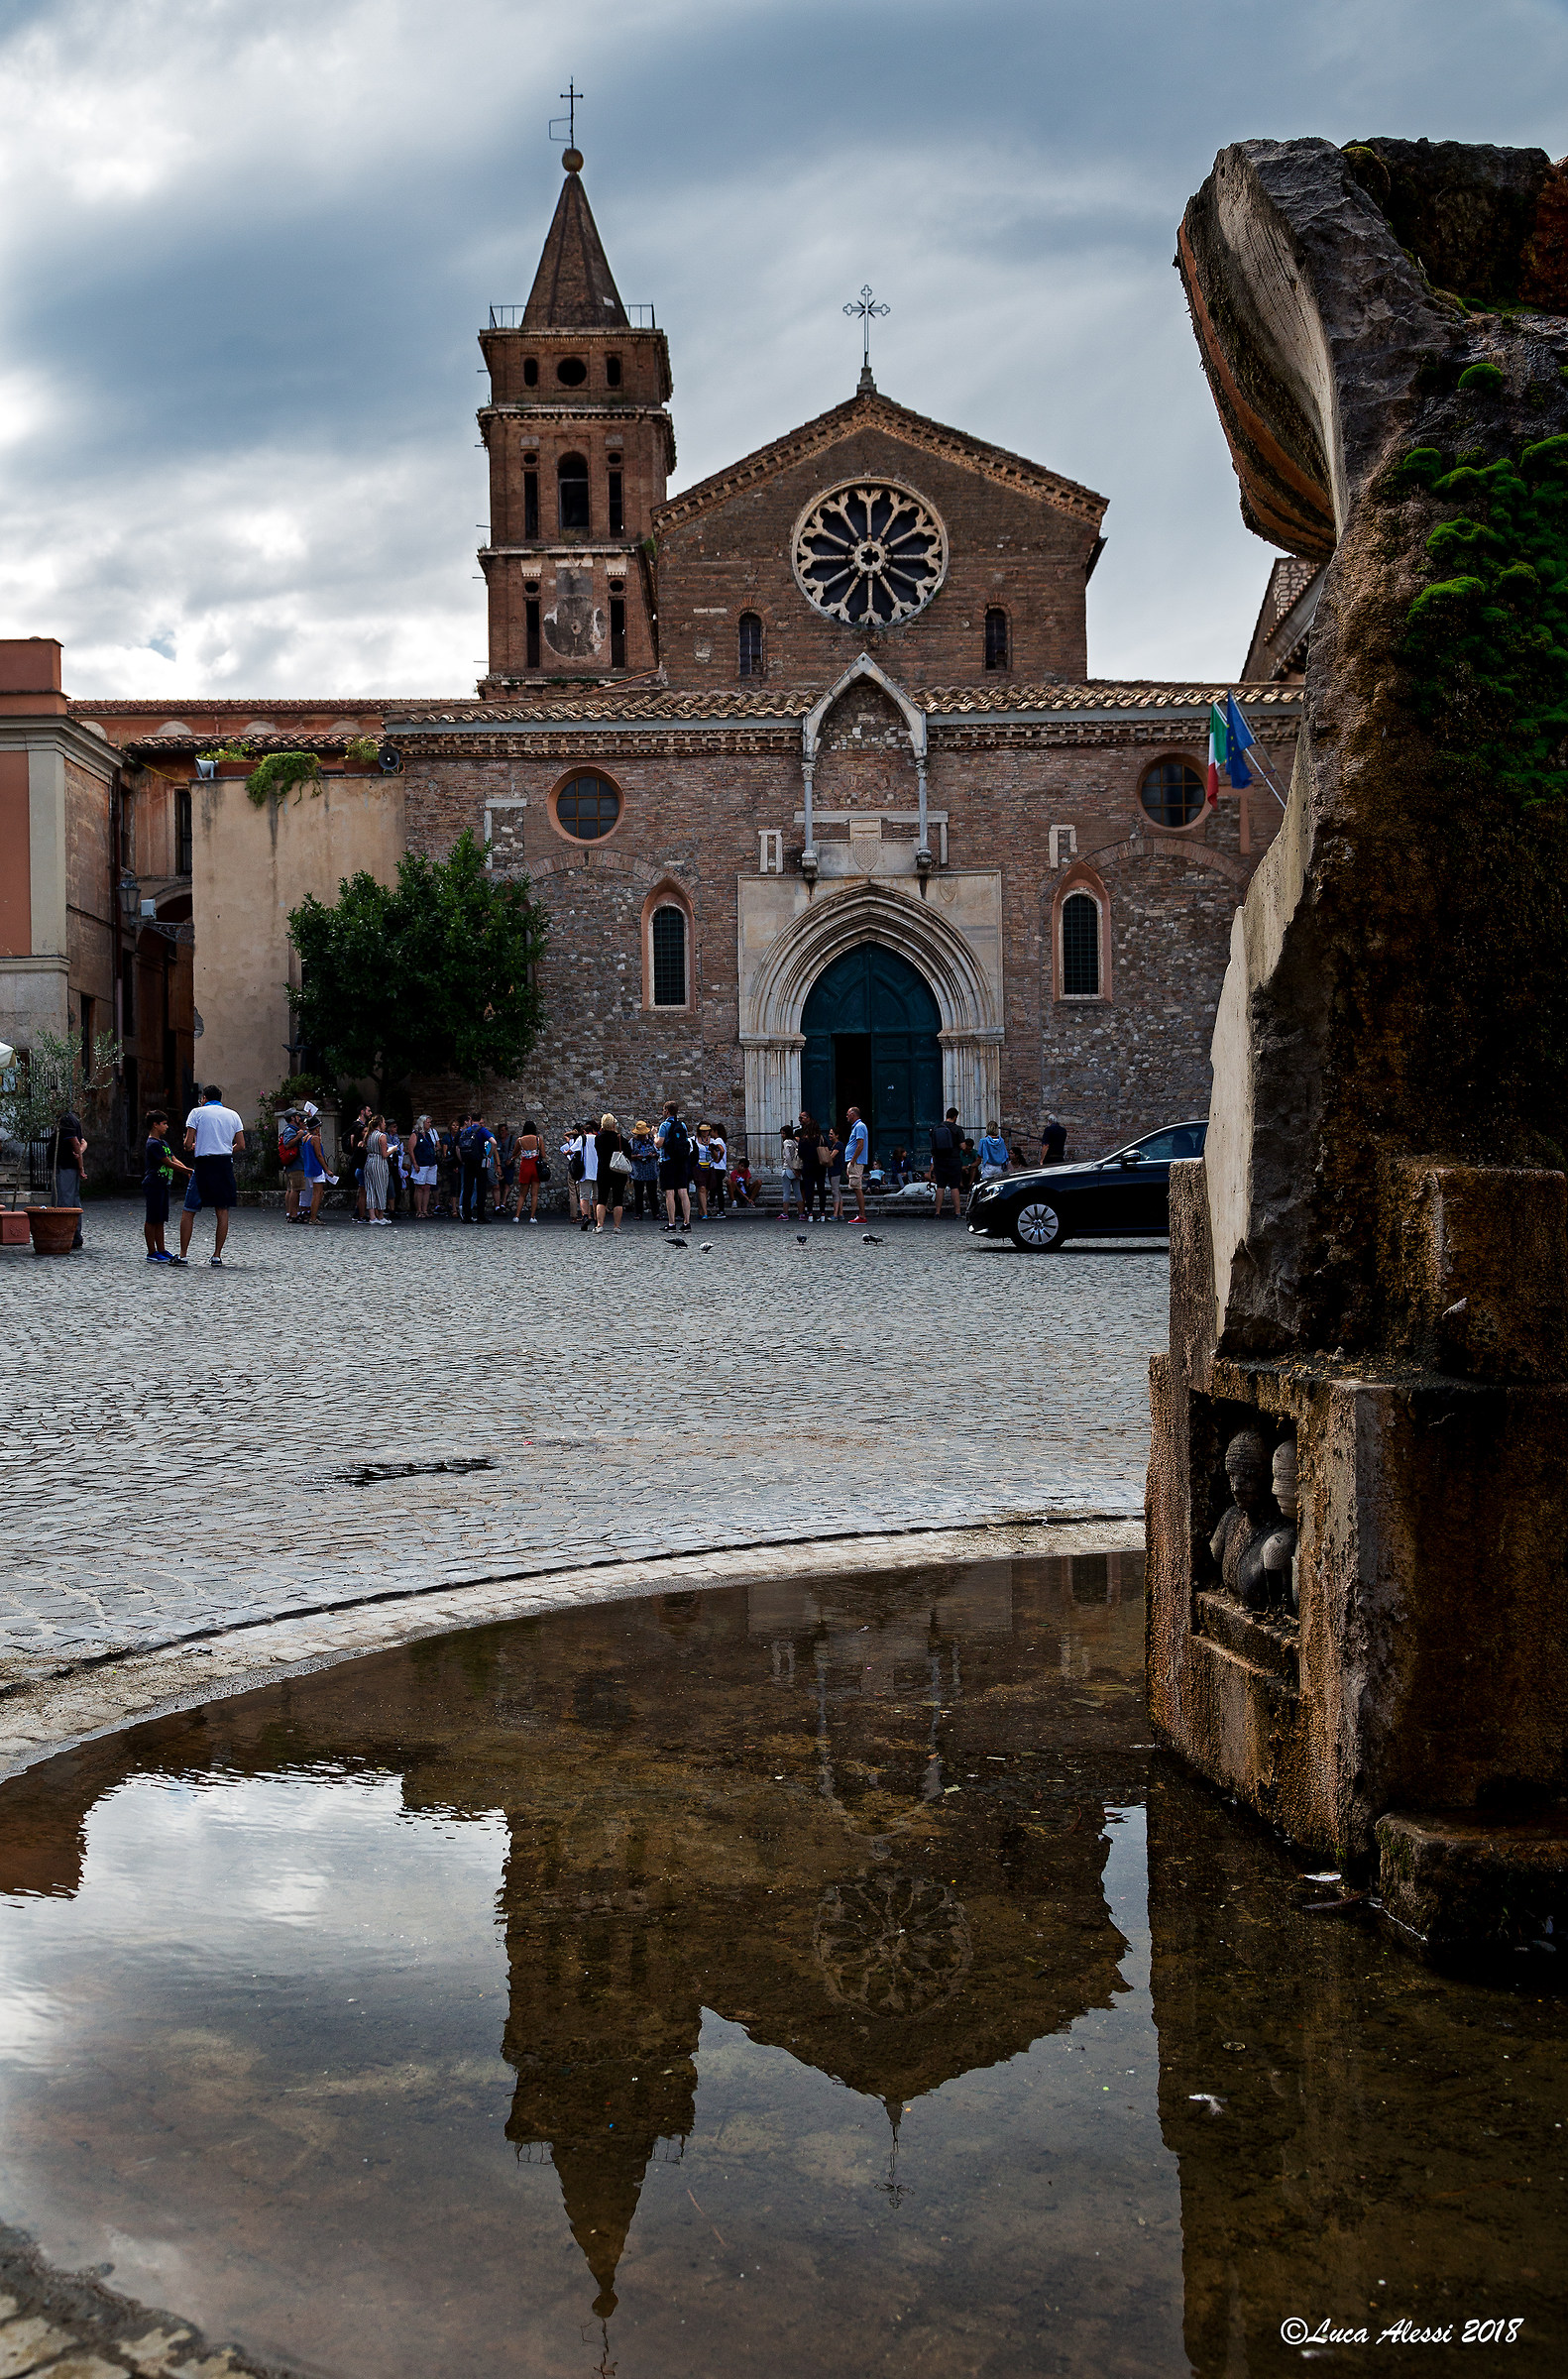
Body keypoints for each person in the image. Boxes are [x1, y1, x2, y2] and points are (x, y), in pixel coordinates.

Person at [177, 1082, 246, 1266]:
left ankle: (183, 1255)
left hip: (204, 1164)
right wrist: (225, 1149)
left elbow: (187, 1142)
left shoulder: (197, 1113)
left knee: (189, 1210)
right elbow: (241, 1144)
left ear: (204, 1099)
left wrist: (192, 1146)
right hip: (224, 1163)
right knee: (222, 1210)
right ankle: (217, 1255)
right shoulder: (233, 1115)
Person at [142, 1109, 190, 1262]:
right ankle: (152, 1252)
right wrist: (189, 1171)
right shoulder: (153, 1144)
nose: (167, 1126)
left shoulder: (163, 1143)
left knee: (160, 1218)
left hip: (163, 1184)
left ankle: (161, 1249)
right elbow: (167, 1163)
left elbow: (174, 1159)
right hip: (154, 1183)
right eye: (164, 1124)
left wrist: (187, 1171)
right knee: (152, 1218)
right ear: (155, 1125)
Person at [656, 1100, 692, 1233]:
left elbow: (659, 1144)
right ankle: (686, 1222)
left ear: (666, 1111)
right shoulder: (682, 1125)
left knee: (670, 1192)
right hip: (681, 1161)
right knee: (683, 1191)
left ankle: (671, 1223)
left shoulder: (664, 1125)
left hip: (668, 1161)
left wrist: (654, 1135)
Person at [53, 1109, 86, 1247]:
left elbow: (77, 1143)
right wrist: (79, 1155)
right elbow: (83, 1143)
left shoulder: (66, 1121)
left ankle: (67, 1236)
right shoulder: (72, 1119)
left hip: (65, 1166)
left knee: (65, 1202)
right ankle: (75, 1236)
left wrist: (81, 1166)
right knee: (73, 1201)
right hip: (70, 1166)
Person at [594, 1112, 627, 1234]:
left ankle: (599, 1225)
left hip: (603, 1170)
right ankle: (617, 1226)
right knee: (618, 1199)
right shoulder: (620, 1138)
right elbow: (628, 1153)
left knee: (602, 1198)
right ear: (614, 1124)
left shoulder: (598, 1138)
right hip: (618, 1171)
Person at [929, 1107, 964, 1221]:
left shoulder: (936, 1128)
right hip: (953, 1160)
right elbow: (963, 1146)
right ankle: (957, 1213)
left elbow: (933, 1147)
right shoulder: (957, 1129)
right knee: (954, 1186)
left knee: (940, 1186)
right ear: (955, 1117)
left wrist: (933, 1164)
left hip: (939, 1160)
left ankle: (937, 1213)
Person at [458, 1112, 495, 1223]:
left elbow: (459, 1147)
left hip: (468, 1162)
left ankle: (467, 1216)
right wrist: (489, 1156)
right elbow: (494, 1142)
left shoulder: (466, 1131)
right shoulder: (482, 1130)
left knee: (467, 1189)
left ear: (471, 1119)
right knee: (480, 1189)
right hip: (479, 1161)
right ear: (480, 1120)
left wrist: (462, 1160)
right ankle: (480, 1216)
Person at [299, 1108, 334, 1223]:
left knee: (315, 1193)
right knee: (317, 1194)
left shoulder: (305, 1138)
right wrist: (327, 1169)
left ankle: (311, 1216)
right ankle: (313, 1218)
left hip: (309, 1167)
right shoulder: (315, 1139)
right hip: (316, 1168)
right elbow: (319, 1155)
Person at [512, 1118, 545, 1223]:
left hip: (525, 1166)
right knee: (534, 1194)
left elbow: (514, 1152)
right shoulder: (538, 1139)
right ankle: (532, 1217)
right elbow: (543, 1155)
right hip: (536, 1167)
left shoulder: (520, 1140)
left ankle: (517, 1216)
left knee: (522, 1194)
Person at [278, 1106, 306, 1221]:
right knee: (296, 1189)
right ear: (293, 1118)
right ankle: (293, 1214)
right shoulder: (290, 1130)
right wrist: (299, 1136)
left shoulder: (292, 1129)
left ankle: (290, 1213)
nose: (300, 1118)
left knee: (291, 1189)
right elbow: (287, 1144)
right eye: (298, 1116)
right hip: (296, 1164)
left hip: (292, 1164)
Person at [797, 1111, 827, 1222]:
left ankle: (809, 1212)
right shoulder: (820, 1138)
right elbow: (827, 1149)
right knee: (821, 1189)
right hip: (820, 1166)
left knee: (809, 1190)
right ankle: (822, 1213)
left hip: (808, 1166)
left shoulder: (804, 1140)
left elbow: (800, 1153)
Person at [626, 1120, 659, 1219]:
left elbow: (658, 1152)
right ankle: (638, 1213)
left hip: (651, 1170)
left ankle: (656, 1213)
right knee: (638, 1193)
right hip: (638, 1171)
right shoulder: (632, 1142)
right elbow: (628, 1155)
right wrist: (636, 1156)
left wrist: (652, 1155)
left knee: (652, 1193)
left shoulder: (651, 1140)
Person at [843, 1105, 869, 1223]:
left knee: (857, 1188)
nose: (847, 1116)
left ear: (853, 1115)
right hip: (855, 1161)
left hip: (856, 1162)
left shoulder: (859, 1127)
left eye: (848, 1114)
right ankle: (861, 1214)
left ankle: (862, 1215)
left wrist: (853, 1160)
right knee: (856, 1187)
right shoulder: (857, 1127)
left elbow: (860, 1145)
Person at [410, 1114, 439, 1218]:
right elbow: (411, 1150)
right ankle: (419, 1210)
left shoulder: (427, 1135)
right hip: (421, 1163)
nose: (430, 1124)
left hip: (430, 1162)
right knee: (420, 1187)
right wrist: (415, 1163)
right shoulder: (415, 1135)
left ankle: (425, 1209)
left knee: (427, 1187)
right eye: (428, 1122)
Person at [365, 1116, 392, 1225]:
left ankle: (372, 1216)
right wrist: (393, 1149)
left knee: (370, 1189)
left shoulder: (369, 1135)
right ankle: (380, 1216)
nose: (385, 1125)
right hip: (378, 1162)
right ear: (380, 1123)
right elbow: (384, 1154)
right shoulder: (382, 1136)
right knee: (381, 1188)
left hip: (369, 1161)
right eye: (384, 1122)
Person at [777, 1124, 802, 1221]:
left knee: (786, 1192)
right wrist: (797, 1169)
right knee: (797, 1192)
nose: (782, 1135)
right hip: (797, 1169)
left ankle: (785, 1213)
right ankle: (801, 1213)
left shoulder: (786, 1142)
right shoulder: (795, 1142)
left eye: (783, 1133)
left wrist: (792, 1169)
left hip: (788, 1169)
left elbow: (787, 1156)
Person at [826, 1124, 846, 1220]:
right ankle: (840, 1213)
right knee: (837, 1192)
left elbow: (831, 1157)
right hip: (833, 1170)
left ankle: (835, 1214)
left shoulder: (838, 1145)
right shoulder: (833, 1145)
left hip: (836, 1170)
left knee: (835, 1192)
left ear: (837, 1135)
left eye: (831, 1134)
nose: (829, 1135)